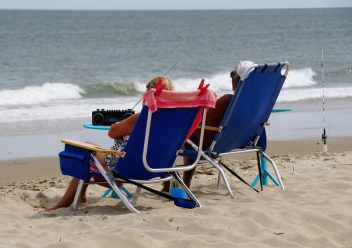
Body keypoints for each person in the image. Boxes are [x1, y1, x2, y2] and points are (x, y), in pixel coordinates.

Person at [45, 76, 174, 211]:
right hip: (156, 166)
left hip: (126, 167)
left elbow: (112, 133)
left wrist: (117, 125)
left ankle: (63, 203)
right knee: (91, 150)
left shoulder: (142, 118)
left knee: (84, 149)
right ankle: (81, 195)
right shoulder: (174, 121)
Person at [161, 61, 256, 191]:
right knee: (191, 136)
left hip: (206, 143)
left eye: (232, 74)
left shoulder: (228, 100)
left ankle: (168, 184)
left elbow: (201, 119)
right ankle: (179, 182)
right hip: (230, 142)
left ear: (238, 79)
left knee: (171, 136)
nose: (231, 78)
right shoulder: (253, 103)